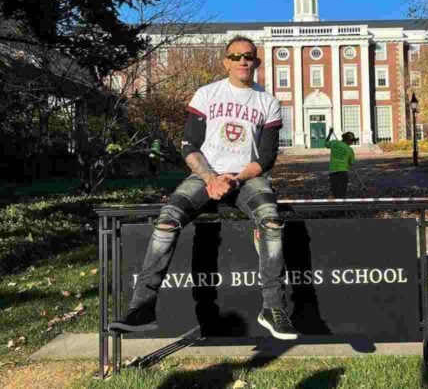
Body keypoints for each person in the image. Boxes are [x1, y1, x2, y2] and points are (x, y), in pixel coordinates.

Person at [108, 36, 298, 340]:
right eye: (235, 56)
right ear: (225, 62)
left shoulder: (268, 102)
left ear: (257, 62)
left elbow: (265, 158)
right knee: (168, 219)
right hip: (205, 175)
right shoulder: (206, 94)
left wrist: (234, 179)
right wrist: (211, 178)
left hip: (246, 178)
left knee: (271, 219)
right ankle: (143, 305)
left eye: (248, 56)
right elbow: (189, 146)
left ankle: (273, 307)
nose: (242, 61)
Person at [324, 128, 356, 198]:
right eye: (351, 141)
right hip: (343, 172)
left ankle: (336, 205)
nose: (352, 143)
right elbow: (352, 162)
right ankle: (341, 205)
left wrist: (329, 134)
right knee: (342, 191)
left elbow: (326, 143)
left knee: (335, 190)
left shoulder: (334, 143)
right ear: (348, 140)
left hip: (332, 171)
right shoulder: (349, 150)